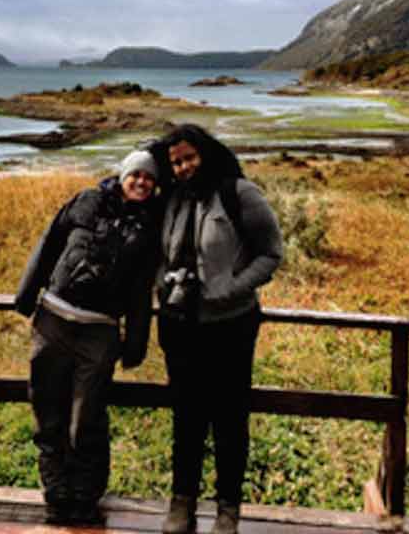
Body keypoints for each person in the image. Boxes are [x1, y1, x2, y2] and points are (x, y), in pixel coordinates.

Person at [14, 151, 162, 526]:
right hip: (53, 320)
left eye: (149, 178)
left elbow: (142, 291)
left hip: (100, 331)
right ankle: (56, 493)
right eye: (137, 175)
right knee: (48, 413)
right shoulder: (87, 200)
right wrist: (26, 294)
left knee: (87, 418)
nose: (142, 182)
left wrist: (136, 343)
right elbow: (49, 244)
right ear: (124, 174)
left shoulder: (149, 229)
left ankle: (85, 496)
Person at [149, 124, 283, 534]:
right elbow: (156, 250)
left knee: (228, 419)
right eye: (176, 162)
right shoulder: (170, 198)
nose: (184, 167)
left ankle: (228, 509)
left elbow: (271, 253)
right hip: (180, 325)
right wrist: (162, 283)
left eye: (189, 158)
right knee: (185, 417)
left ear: (205, 154)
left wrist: (230, 288)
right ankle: (182, 502)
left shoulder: (238, 193)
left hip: (231, 326)